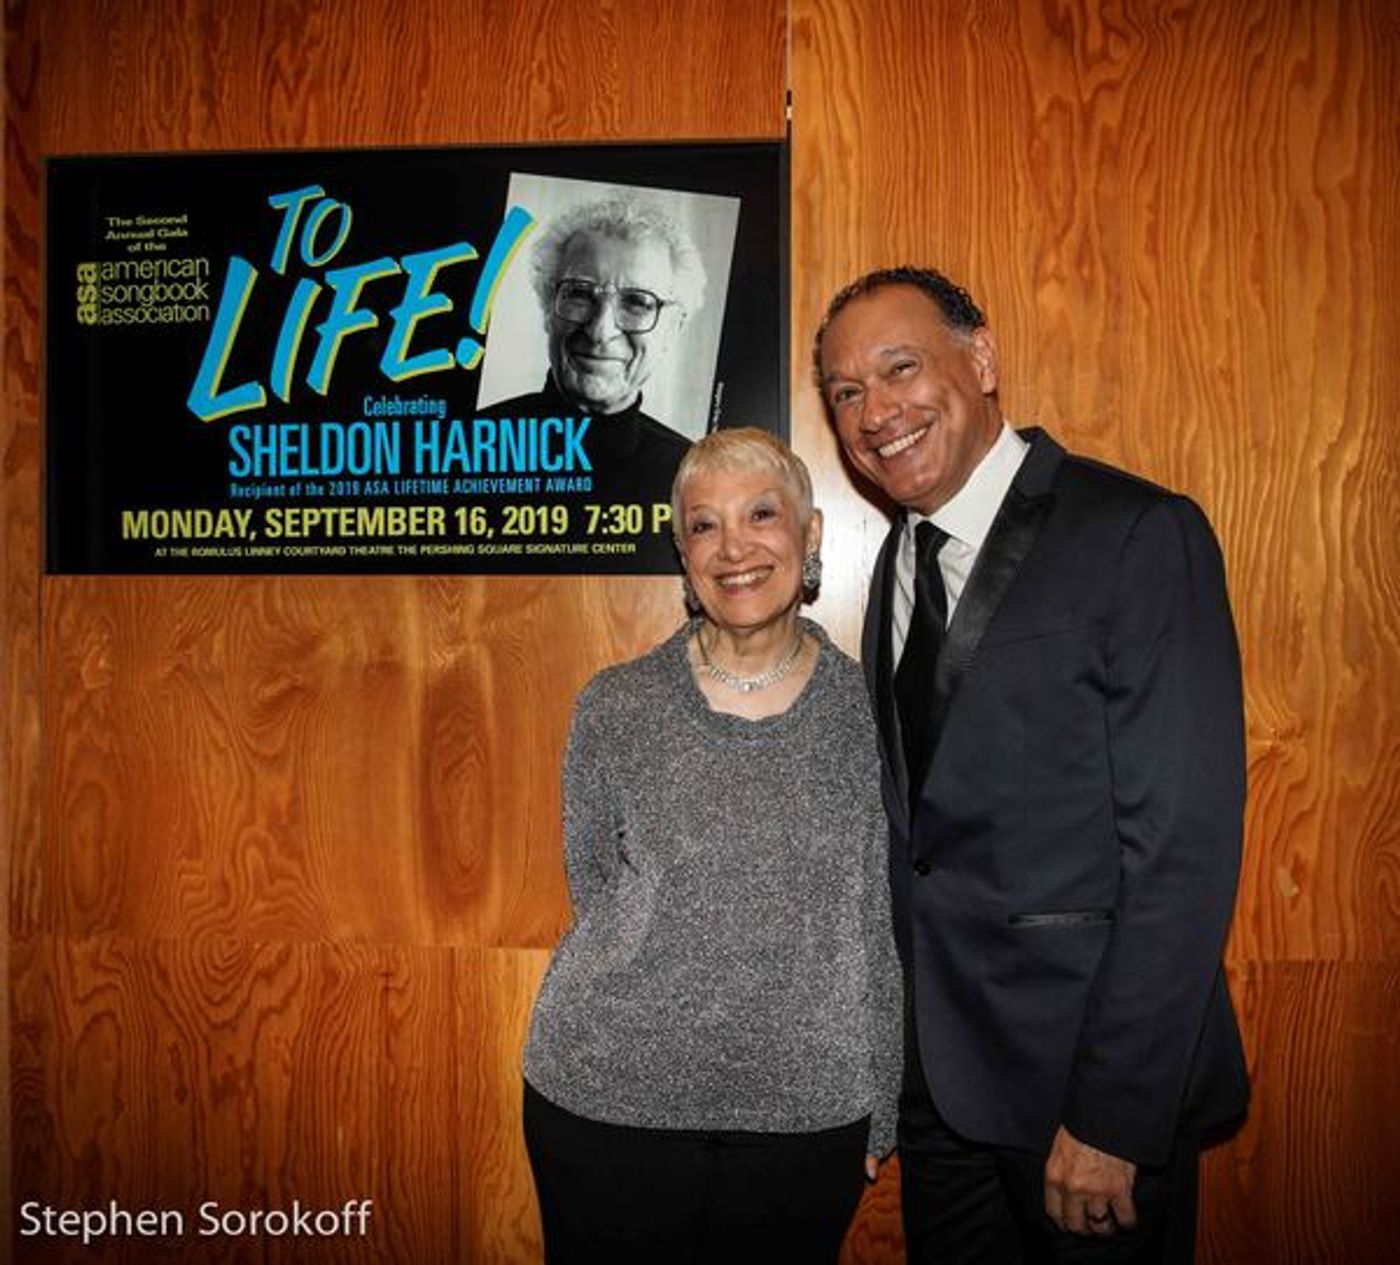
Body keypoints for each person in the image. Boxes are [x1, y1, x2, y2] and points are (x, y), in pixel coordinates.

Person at [813, 266, 1249, 1264]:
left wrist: (1113, 1117)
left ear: (980, 358)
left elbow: (1179, 848)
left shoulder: (1134, 532)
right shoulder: (896, 561)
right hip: (940, 1099)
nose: (874, 411)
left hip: (1082, 1102)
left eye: (899, 368)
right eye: (844, 392)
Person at [522, 427, 901, 1263]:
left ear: (810, 535)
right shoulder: (616, 706)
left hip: (804, 1114)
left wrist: (885, 1091)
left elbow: (878, 918)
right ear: (683, 554)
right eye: (703, 524)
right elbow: (598, 892)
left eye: (762, 513)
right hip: (606, 1099)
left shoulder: (874, 713)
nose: (734, 546)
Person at [487, 198, 706, 569]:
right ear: (546, 309)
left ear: (673, 329)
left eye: (637, 302)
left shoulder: (698, 479)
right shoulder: (460, 453)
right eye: (578, 294)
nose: (600, 331)